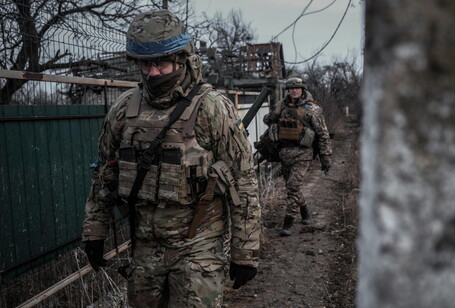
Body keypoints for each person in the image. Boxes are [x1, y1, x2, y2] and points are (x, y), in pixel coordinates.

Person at [82, 10, 261, 307]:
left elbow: (243, 182)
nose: (152, 73)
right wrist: (94, 231)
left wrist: (245, 253)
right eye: (144, 64)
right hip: (144, 248)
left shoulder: (212, 109)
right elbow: (105, 173)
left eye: (160, 63)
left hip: (198, 247)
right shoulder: (125, 110)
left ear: (182, 59)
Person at [263, 75, 332, 236]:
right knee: (292, 188)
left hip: (303, 154)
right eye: (291, 88)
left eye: (297, 88)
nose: (294, 91)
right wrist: (271, 117)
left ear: (302, 89)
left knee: (293, 187)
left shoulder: (313, 109)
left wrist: (325, 157)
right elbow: (269, 121)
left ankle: (288, 223)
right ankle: (305, 211)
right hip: (284, 153)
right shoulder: (281, 105)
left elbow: (323, 135)